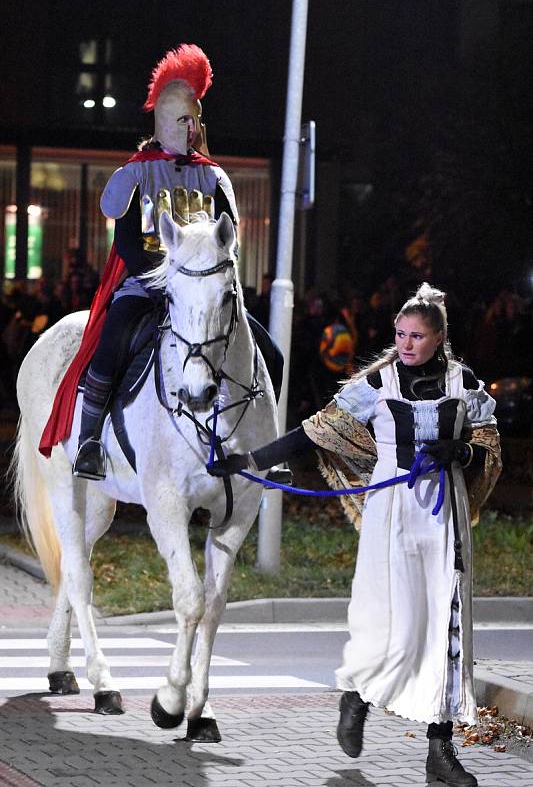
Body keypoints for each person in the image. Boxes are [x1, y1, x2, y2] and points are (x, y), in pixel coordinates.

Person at [207, 283, 502, 787]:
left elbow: (488, 439)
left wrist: (466, 454)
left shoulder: (463, 383)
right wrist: (250, 461)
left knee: (445, 628)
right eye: (401, 334)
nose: (407, 344)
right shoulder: (377, 384)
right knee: (389, 623)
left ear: (438, 338)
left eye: (417, 336)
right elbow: (316, 431)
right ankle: (357, 699)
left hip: (443, 519)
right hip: (391, 517)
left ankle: (440, 750)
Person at [39, 43, 281, 477]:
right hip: (146, 284)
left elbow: (231, 235)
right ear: (167, 121)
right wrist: (159, 279)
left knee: (271, 355)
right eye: (185, 120)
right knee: (110, 346)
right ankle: (91, 442)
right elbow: (128, 240)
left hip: (202, 290)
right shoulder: (138, 171)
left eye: (196, 121)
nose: (193, 129)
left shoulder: (212, 175)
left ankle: (265, 445)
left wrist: (211, 280)